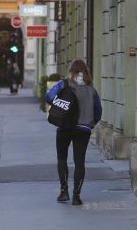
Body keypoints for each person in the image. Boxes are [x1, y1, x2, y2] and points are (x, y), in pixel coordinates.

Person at [45, 59, 102, 206]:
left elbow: (49, 97)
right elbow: (98, 112)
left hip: (64, 126)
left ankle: (64, 192)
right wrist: (90, 123)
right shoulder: (91, 89)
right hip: (84, 129)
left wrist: (62, 104)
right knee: (79, 162)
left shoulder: (64, 84)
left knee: (62, 159)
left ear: (71, 71)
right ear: (86, 72)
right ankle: (77, 196)